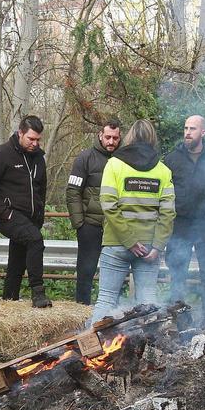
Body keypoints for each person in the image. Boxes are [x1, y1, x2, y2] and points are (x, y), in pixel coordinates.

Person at [88, 119, 175, 324]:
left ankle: (93, 343)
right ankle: (152, 342)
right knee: (148, 301)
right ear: (152, 138)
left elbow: (108, 204)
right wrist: (158, 246)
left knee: (106, 299)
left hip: (116, 243)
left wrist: (129, 240)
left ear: (130, 137)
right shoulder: (163, 170)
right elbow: (168, 212)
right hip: (148, 247)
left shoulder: (114, 165)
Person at [0, 115, 50, 308]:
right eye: (31, 139)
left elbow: (41, 189)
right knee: (35, 240)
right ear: (20, 133)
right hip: (8, 215)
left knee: (17, 260)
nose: (35, 143)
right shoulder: (1, 155)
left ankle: (9, 301)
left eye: (38, 140)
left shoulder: (39, 159)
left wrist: (40, 215)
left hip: (31, 217)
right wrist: (4, 211)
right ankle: (38, 293)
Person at [164, 114, 205, 313]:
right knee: (177, 273)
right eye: (186, 128)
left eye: (193, 129)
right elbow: (164, 193)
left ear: (203, 132)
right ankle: (178, 316)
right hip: (180, 225)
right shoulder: (172, 159)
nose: (188, 133)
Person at [65, 119, 121, 305]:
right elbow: (73, 191)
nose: (111, 141)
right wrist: (79, 224)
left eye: (115, 138)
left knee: (114, 271)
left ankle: (113, 312)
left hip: (115, 226)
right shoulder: (84, 158)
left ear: (120, 137)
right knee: (86, 270)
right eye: (108, 137)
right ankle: (82, 307)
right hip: (90, 225)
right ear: (100, 135)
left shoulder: (124, 159)